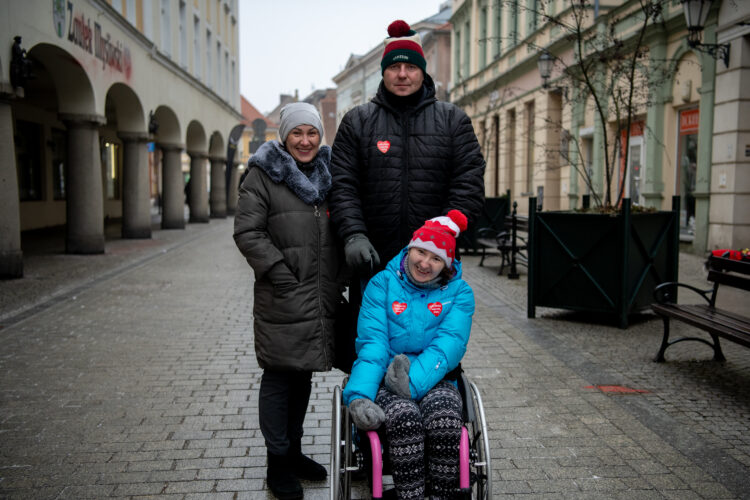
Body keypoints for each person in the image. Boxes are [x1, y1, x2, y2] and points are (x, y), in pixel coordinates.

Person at [233, 102, 341, 500]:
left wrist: (340, 276)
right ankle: (277, 462)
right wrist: (279, 273)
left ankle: (293, 451)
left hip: (318, 294)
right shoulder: (263, 174)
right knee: (279, 375)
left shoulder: (329, 174)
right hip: (281, 292)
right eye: (297, 132)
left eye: (312, 132)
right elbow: (247, 232)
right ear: (284, 136)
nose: (305, 141)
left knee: (302, 375)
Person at [329, 19, 486, 282]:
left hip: (434, 260)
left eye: (411, 67)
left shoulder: (453, 120)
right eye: (394, 67)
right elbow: (342, 185)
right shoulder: (357, 121)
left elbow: (469, 182)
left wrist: (445, 230)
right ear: (384, 72)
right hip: (373, 261)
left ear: (422, 72)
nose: (402, 74)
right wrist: (353, 234)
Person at [343, 210, 475, 499]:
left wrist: (411, 384)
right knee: (404, 419)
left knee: (444, 419)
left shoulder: (460, 293)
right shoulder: (382, 284)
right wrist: (359, 396)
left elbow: (447, 345)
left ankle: (442, 494)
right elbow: (373, 345)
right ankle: (410, 495)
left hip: (438, 377)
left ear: (447, 264)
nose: (425, 263)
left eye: (436, 258)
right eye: (421, 252)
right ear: (409, 249)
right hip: (386, 379)